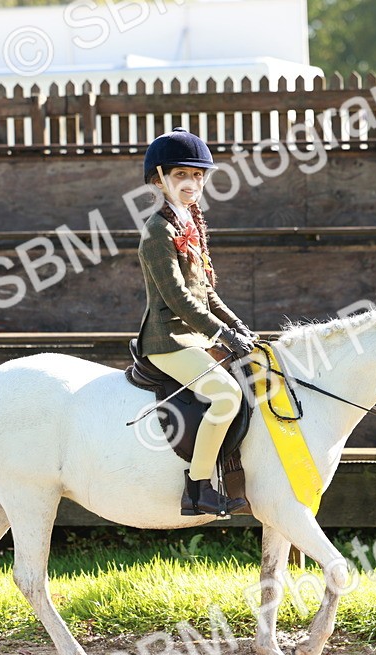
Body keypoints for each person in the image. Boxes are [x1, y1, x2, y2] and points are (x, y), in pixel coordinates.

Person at [136, 127, 256, 516]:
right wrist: (220, 333)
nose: (191, 183)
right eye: (181, 176)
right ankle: (198, 487)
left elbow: (206, 291)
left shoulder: (190, 223)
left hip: (195, 336)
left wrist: (238, 326)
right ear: (160, 180)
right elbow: (177, 298)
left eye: (197, 175)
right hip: (169, 339)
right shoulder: (158, 231)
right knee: (226, 394)